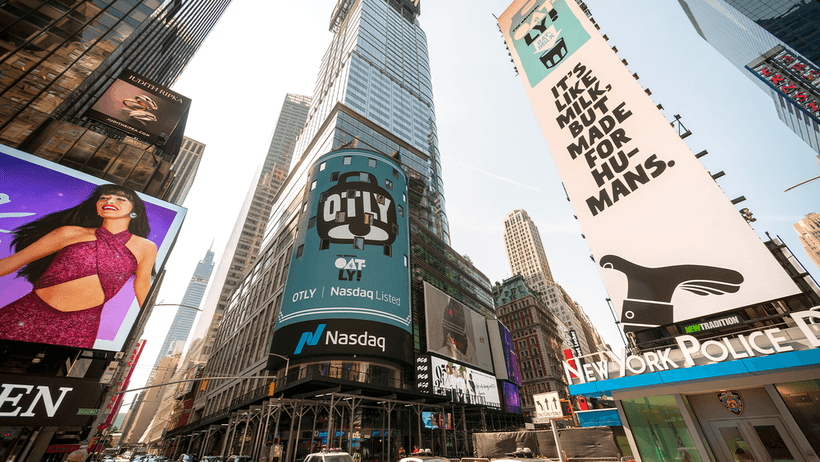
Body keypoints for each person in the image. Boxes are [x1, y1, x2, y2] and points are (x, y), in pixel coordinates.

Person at [0, 184, 157, 348]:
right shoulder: (69, 233)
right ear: (97, 207)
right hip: (28, 314)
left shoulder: (146, 247)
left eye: (120, 199)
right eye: (103, 198)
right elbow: (13, 262)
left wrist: (146, 326)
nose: (109, 201)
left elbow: (142, 284)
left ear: (134, 210)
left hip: (80, 328)